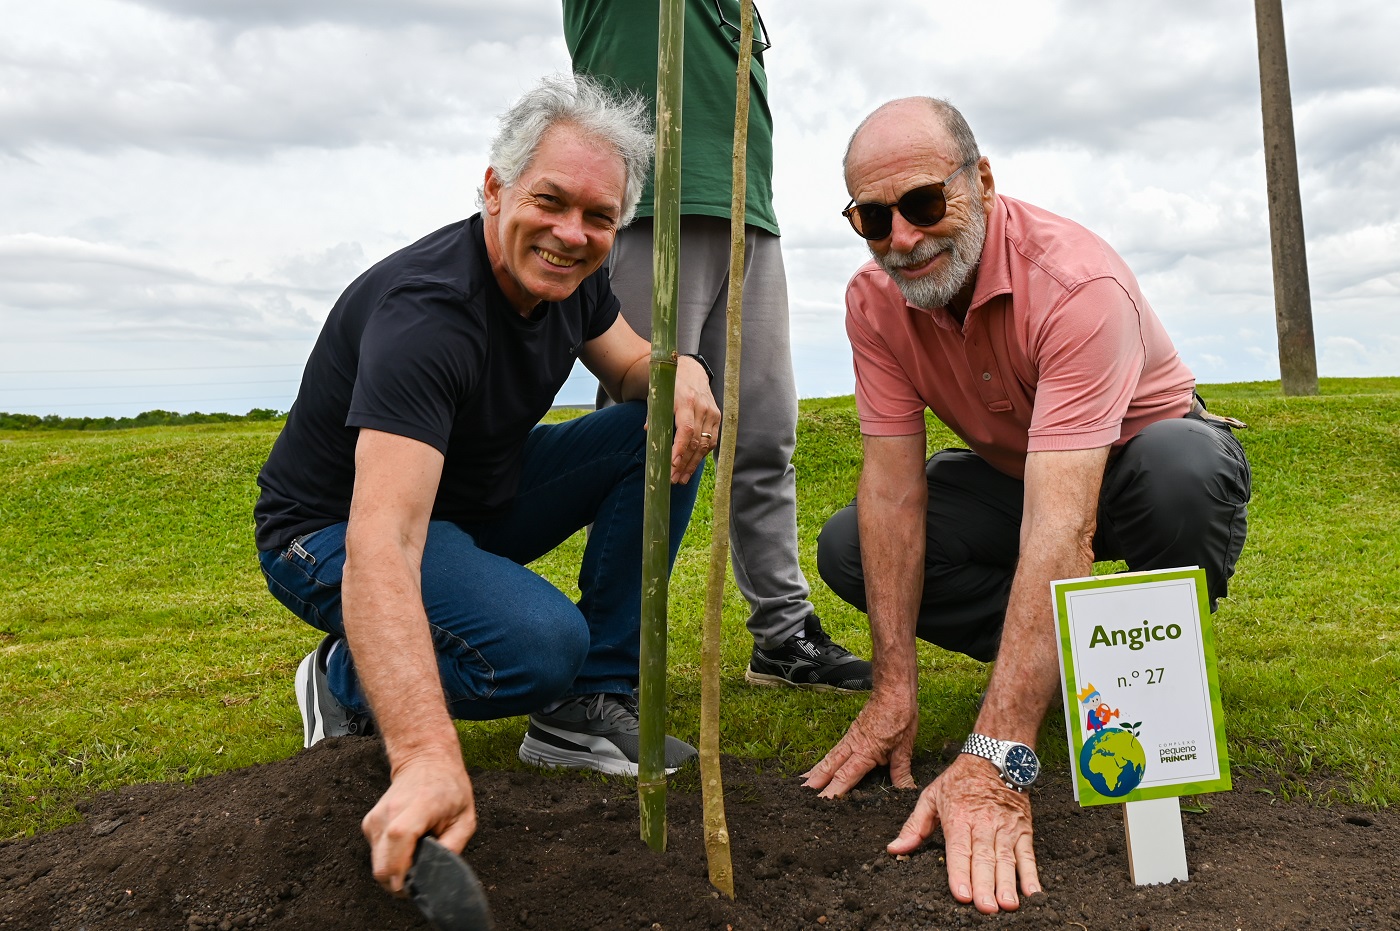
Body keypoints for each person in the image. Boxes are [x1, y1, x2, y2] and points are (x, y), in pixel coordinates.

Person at [253, 73, 721, 896]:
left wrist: (677, 367)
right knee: (538, 647)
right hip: (328, 532)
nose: (571, 233)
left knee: (656, 431)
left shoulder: (573, 278)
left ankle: (588, 704)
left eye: (599, 216)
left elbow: (626, 366)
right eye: (551, 200)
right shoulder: (428, 315)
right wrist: (425, 752)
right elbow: (384, 539)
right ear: (496, 188)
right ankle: (342, 678)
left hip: (471, 499)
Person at [804, 97, 1251, 914]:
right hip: (1017, 472)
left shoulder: (1076, 283)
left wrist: (996, 757)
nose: (901, 238)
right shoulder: (874, 300)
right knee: (849, 547)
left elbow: (1063, 525)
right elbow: (892, 491)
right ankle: (1080, 670)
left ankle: (1150, 673)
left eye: (924, 203)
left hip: (1140, 465)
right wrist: (892, 689)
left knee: (1181, 471)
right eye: (872, 217)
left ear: (981, 181)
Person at [563, 0, 871, 692]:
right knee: (646, 433)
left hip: (749, 213)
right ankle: (608, 655)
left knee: (764, 434)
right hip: (649, 208)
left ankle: (783, 633)